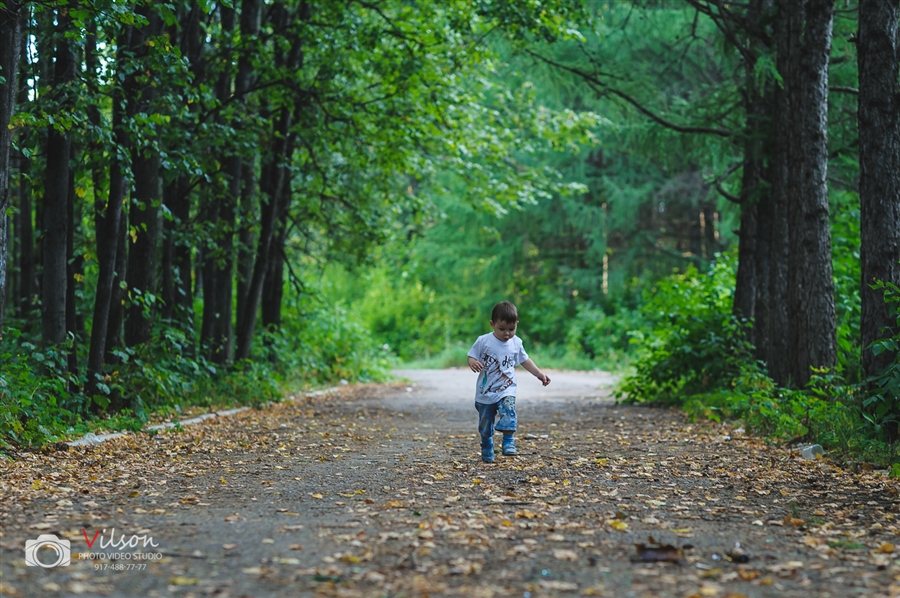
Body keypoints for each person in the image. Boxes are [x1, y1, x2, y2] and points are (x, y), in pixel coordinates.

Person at [467, 301, 551, 463]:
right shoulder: (483, 341)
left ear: (517, 325)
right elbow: (472, 355)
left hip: (507, 389)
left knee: (509, 411)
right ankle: (486, 444)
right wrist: (472, 362)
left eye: (511, 329)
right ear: (492, 324)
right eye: (502, 329)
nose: (507, 334)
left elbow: (525, 360)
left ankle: (508, 441)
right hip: (485, 392)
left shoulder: (516, 343)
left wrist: (539, 374)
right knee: (485, 424)